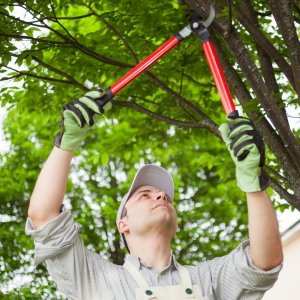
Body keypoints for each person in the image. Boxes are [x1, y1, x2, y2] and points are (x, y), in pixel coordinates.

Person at [25, 89, 283, 300]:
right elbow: (44, 217)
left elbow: (264, 262)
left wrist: (253, 182)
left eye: (165, 197)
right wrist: (66, 142)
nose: (161, 196)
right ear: (122, 224)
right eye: (145, 195)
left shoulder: (209, 278)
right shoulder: (95, 279)